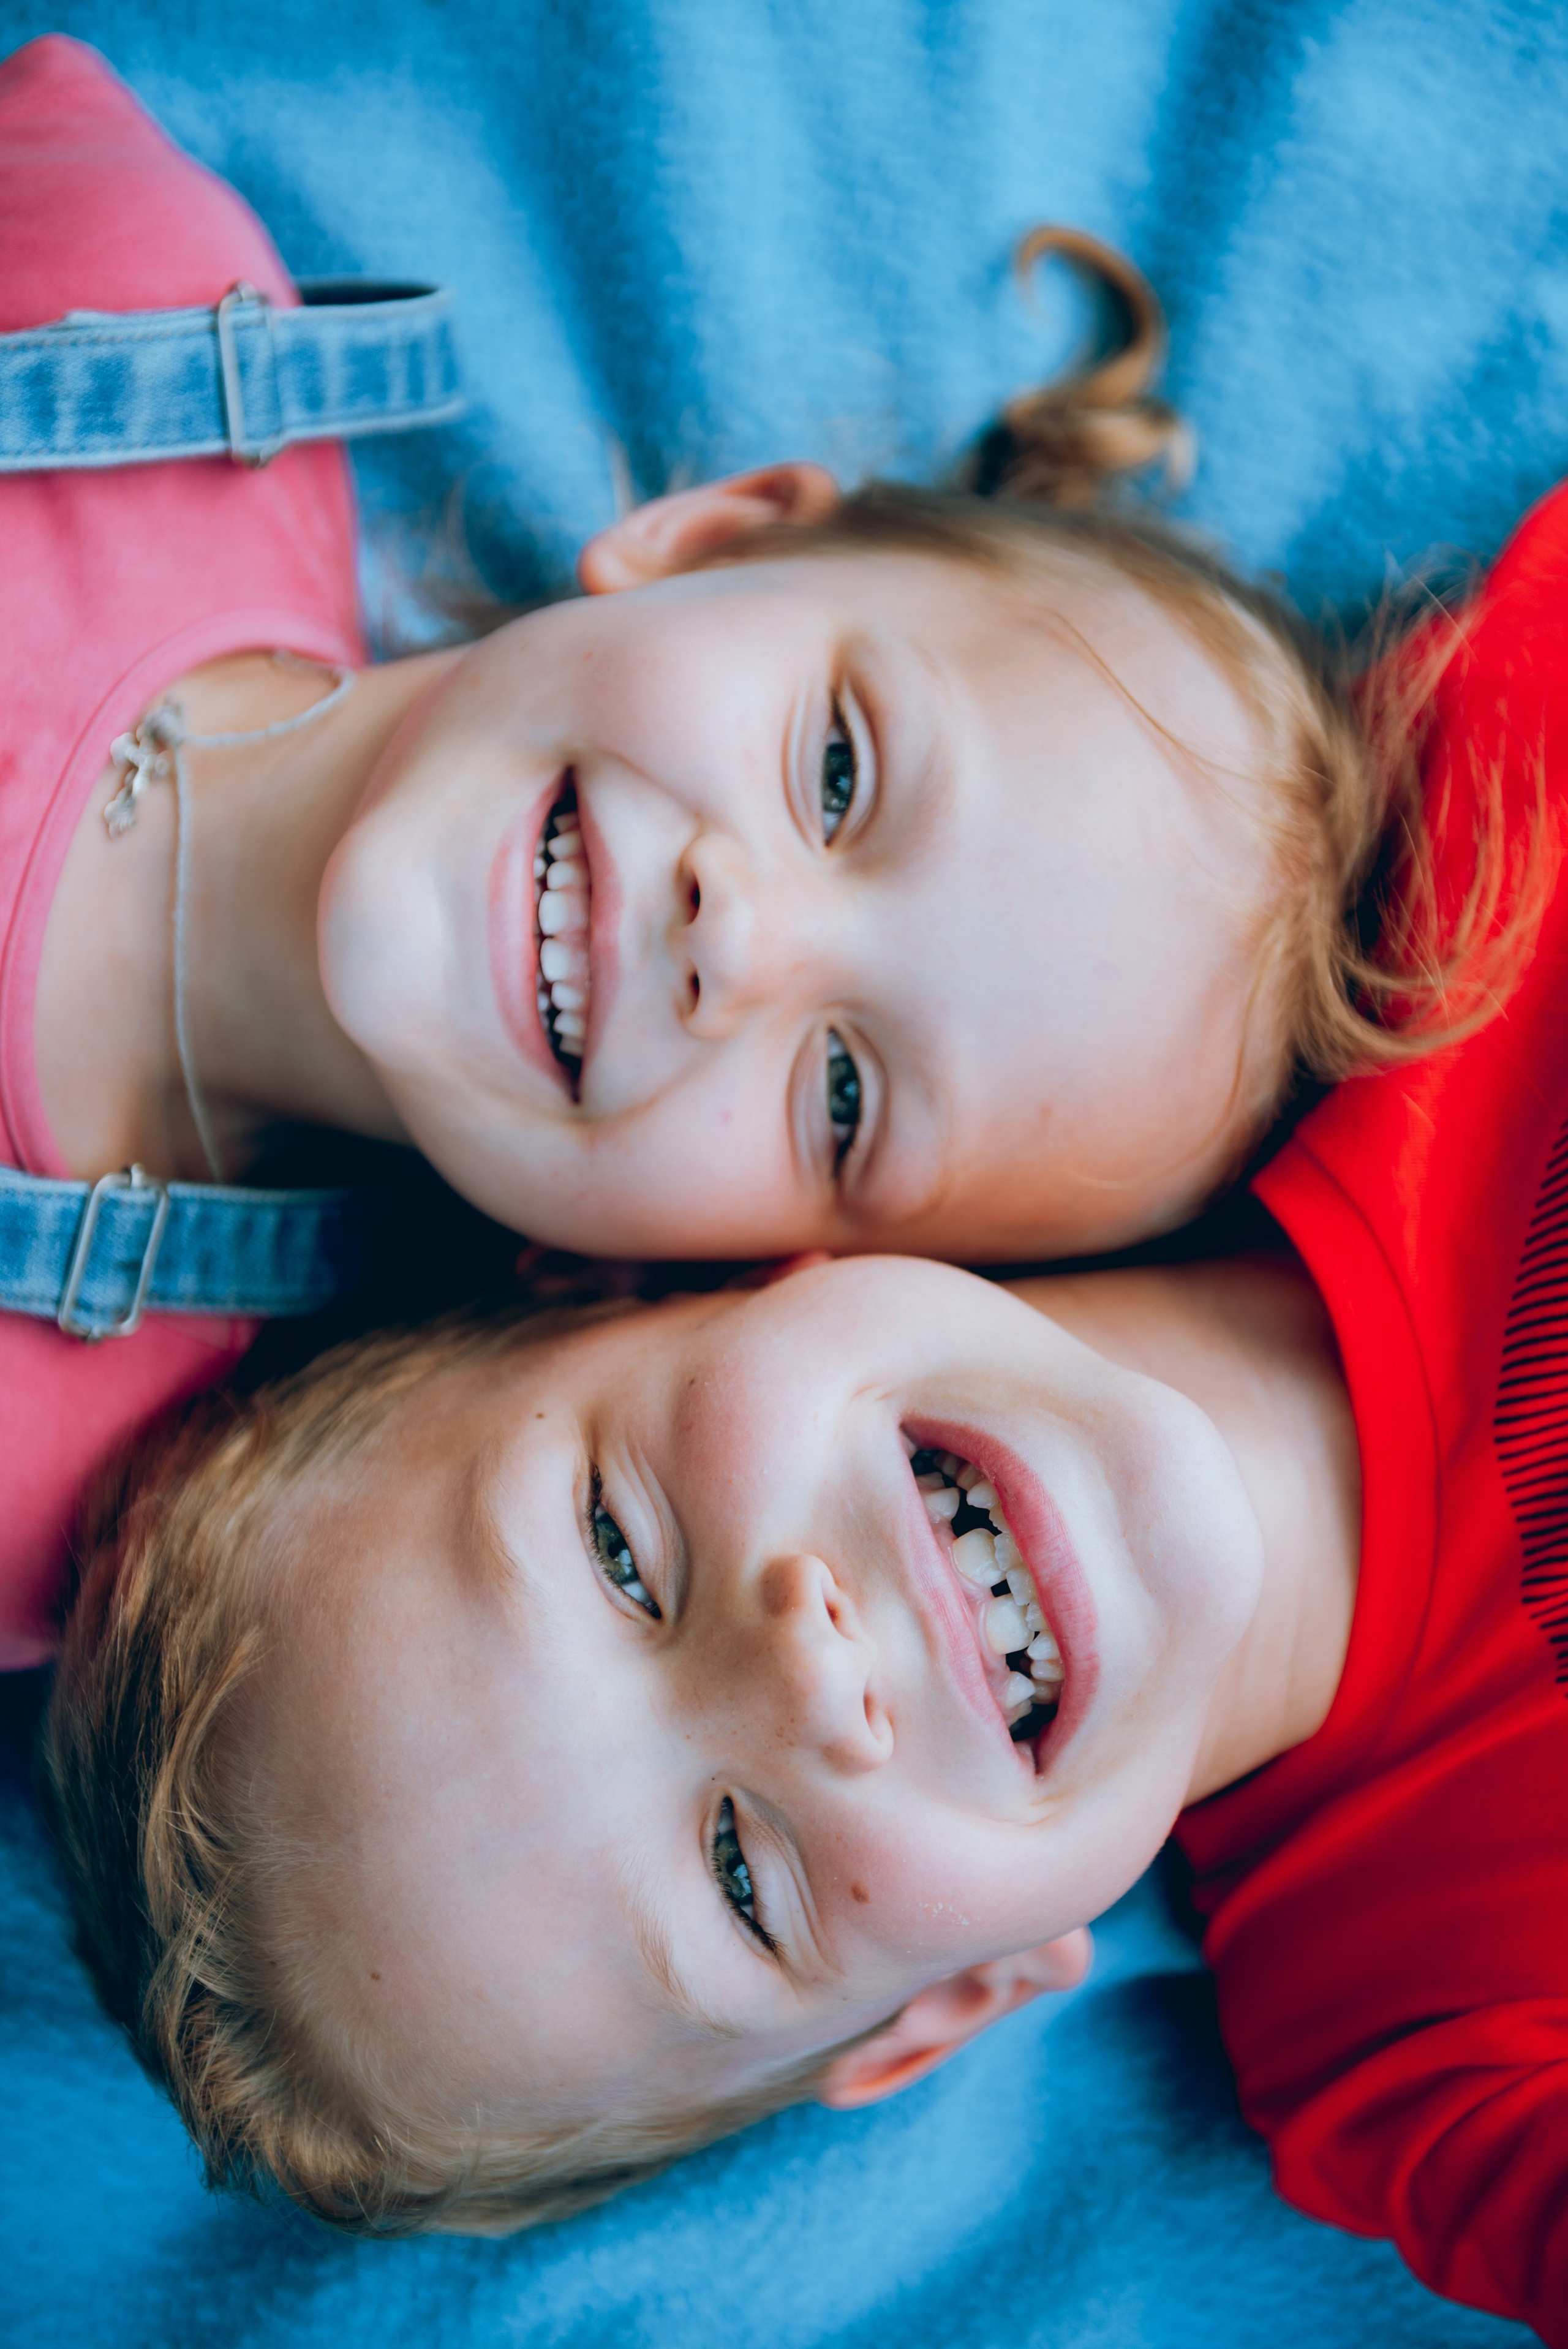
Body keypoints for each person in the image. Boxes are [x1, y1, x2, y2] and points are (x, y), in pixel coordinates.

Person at [42, 474, 1568, 2340]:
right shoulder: (1443, 2042)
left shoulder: (1521, 793)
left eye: (617, 1549)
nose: (801, 1663)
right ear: (955, 2002)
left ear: (676, 1282)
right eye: (746, 1877)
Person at [0, 35, 1517, 1661]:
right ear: (712, 538)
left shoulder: (70, 1502)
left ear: (654, 1281)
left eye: (846, 1093)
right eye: (842, 771)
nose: (747, 943)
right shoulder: (150, 330)